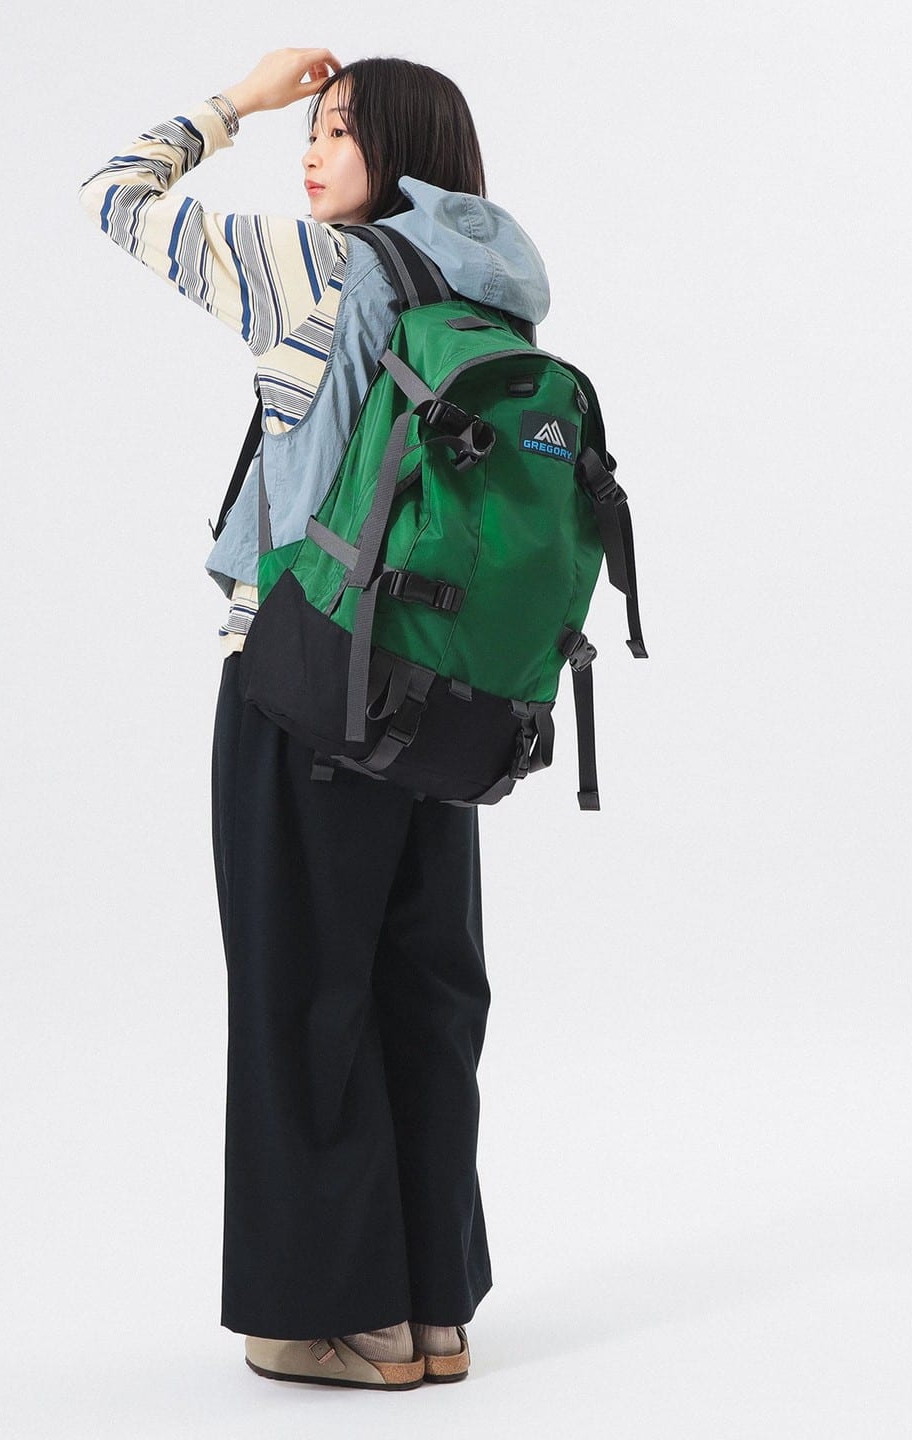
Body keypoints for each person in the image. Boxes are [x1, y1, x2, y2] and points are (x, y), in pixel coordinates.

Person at [77, 47, 551, 1391]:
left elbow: (115, 196)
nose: (312, 150)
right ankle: (433, 1309)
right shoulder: (496, 286)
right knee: (425, 986)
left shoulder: (314, 267)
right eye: (311, 127)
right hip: (441, 695)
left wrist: (237, 102)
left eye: (338, 131)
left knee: (302, 991)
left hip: (304, 674)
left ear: (396, 153)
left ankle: (338, 1316)